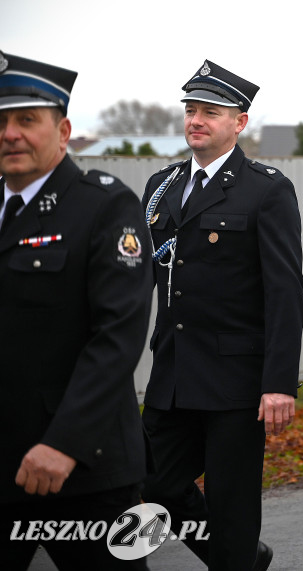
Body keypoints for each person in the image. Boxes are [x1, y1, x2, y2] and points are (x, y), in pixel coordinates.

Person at [141, 60, 303, 570]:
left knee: (233, 505)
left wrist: (279, 383)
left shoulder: (265, 189)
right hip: (173, 374)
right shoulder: (162, 186)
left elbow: (285, 291)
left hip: (236, 381)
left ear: (240, 122)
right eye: (191, 110)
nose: (196, 120)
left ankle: (236, 554)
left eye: (210, 112)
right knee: (154, 484)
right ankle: (243, 559)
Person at [0, 52, 152, 569]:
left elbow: (117, 337)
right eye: (1, 122)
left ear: (63, 132)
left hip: (85, 468)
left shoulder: (104, 206)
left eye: (26, 120)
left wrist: (65, 443)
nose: (10, 134)